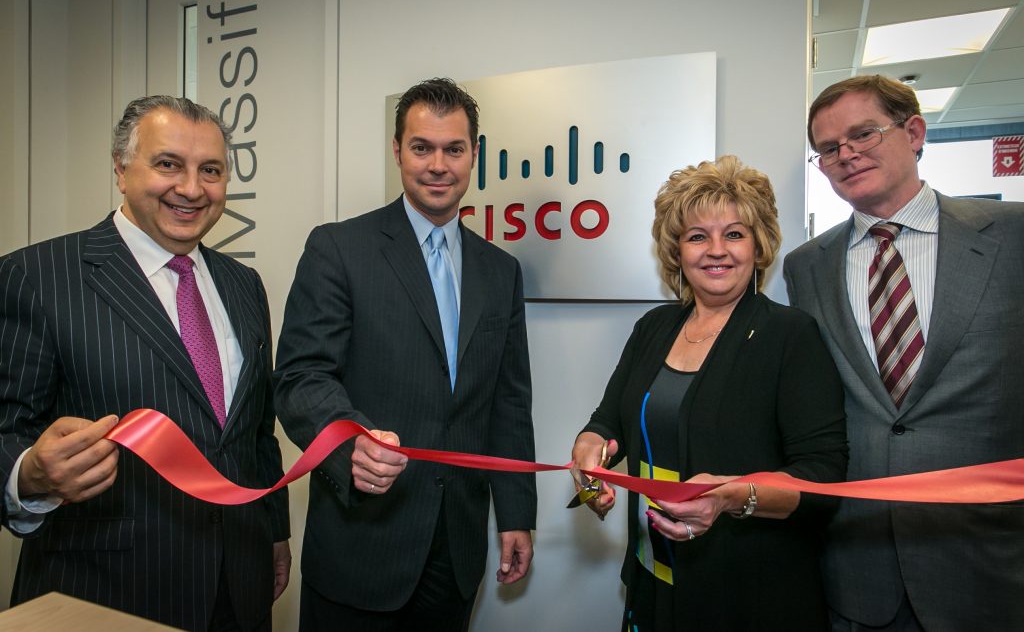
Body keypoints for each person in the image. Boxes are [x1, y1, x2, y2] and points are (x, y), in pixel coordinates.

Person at [0, 96, 291, 631]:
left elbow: (254, 432)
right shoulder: (37, 276)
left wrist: (274, 532)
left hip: (239, 584)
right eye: (167, 164)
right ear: (120, 168)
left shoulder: (244, 285)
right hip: (106, 590)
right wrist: (30, 476)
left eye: (211, 170)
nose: (191, 188)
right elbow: (7, 431)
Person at [273, 77, 536, 631]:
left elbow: (508, 404)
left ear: (474, 155)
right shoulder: (339, 249)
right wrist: (350, 441)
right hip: (361, 545)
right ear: (398, 152)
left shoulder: (500, 271)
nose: (438, 164)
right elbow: (300, 377)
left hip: (456, 547)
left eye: (454, 149)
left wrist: (516, 514)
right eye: (422, 147)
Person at [784, 74, 1024, 631]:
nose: (846, 155)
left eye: (863, 134)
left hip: (990, 562)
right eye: (828, 148)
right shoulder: (806, 266)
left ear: (914, 132)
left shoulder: (1012, 238)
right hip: (858, 566)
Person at [572, 155, 848, 631]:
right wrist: (590, 448)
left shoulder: (790, 335)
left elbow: (822, 475)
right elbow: (609, 421)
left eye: (734, 234)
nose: (716, 250)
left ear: (758, 245)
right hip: (653, 575)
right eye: (698, 236)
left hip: (751, 592)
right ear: (676, 250)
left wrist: (729, 497)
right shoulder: (654, 327)